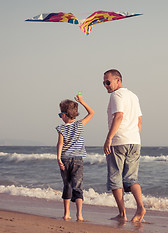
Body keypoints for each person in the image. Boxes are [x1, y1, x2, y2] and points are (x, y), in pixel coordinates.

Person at [103, 69, 146, 223]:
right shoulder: (133, 96)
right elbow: (140, 121)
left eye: (108, 82)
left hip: (119, 141)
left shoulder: (116, 95)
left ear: (118, 80)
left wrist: (109, 138)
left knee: (115, 178)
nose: (106, 86)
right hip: (135, 141)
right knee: (131, 178)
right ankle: (140, 207)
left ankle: (122, 214)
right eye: (104, 83)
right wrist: (134, 136)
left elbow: (119, 116)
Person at [56, 94, 94, 221]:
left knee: (67, 185)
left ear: (65, 115)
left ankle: (66, 213)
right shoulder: (79, 125)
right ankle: (79, 214)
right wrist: (82, 101)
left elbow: (60, 144)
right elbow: (91, 112)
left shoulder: (61, 128)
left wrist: (59, 159)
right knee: (78, 186)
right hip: (78, 159)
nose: (61, 116)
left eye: (61, 114)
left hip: (65, 159)